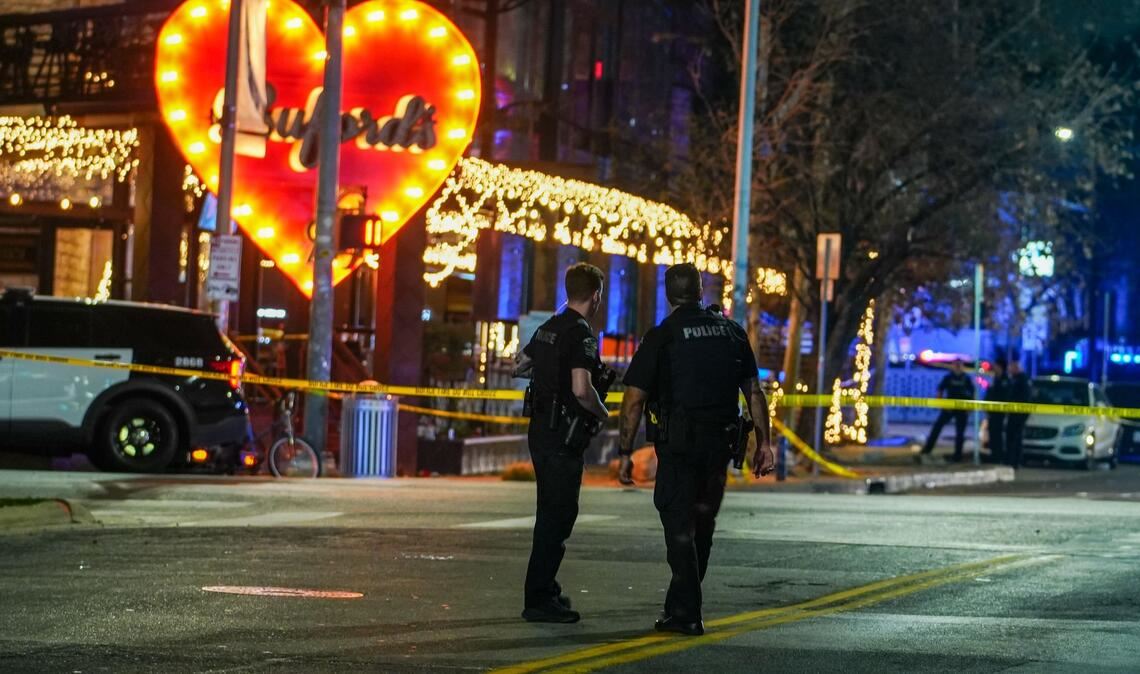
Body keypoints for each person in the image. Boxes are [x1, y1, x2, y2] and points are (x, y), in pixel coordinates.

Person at [616, 263, 775, 636]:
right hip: (719, 445)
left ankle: (687, 613)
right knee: (702, 526)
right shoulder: (732, 333)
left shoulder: (663, 335)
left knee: (678, 526)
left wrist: (625, 451)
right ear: (701, 291)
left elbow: (634, 399)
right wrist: (764, 444)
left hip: (680, 447)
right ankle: (679, 608)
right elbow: (754, 391)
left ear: (669, 294)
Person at [512, 262, 608, 624]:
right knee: (558, 516)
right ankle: (538, 598)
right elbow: (582, 389)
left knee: (548, 512)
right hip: (563, 435)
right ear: (595, 295)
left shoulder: (549, 327)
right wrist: (603, 413)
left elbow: (518, 366)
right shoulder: (581, 333)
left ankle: (546, 590)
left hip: (540, 431)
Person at [919, 360, 975, 462]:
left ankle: (958, 456)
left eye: (959, 365)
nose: (957, 367)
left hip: (962, 408)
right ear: (953, 366)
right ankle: (927, 450)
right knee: (937, 427)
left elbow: (972, 393)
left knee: (960, 433)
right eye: (956, 365)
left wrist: (969, 408)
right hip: (949, 407)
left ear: (962, 366)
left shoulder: (966, 378)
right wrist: (941, 404)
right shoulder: (948, 377)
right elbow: (940, 390)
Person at [1005, 358, 1031, 469]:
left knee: (1015, 438)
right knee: (1011, 437)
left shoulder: (1022, 380)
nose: (1009, 369)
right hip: (1013, 413)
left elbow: (1025, 398)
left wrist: (1023, 415)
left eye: (1011, 367)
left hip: (1019, 414)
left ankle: (1015, 462)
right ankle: (1011, 461)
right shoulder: (1014, 379)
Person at [985, 358, 1011, 464]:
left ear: (1000, 367)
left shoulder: (1005, 380)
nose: (993, 367)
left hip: (1000, 413)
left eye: (995, 365)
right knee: (992, 434)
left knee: (999, 435)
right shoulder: (995, 378)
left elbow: (1005, 396)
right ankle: (994, 455)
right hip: (992, 412)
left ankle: (999, 456)